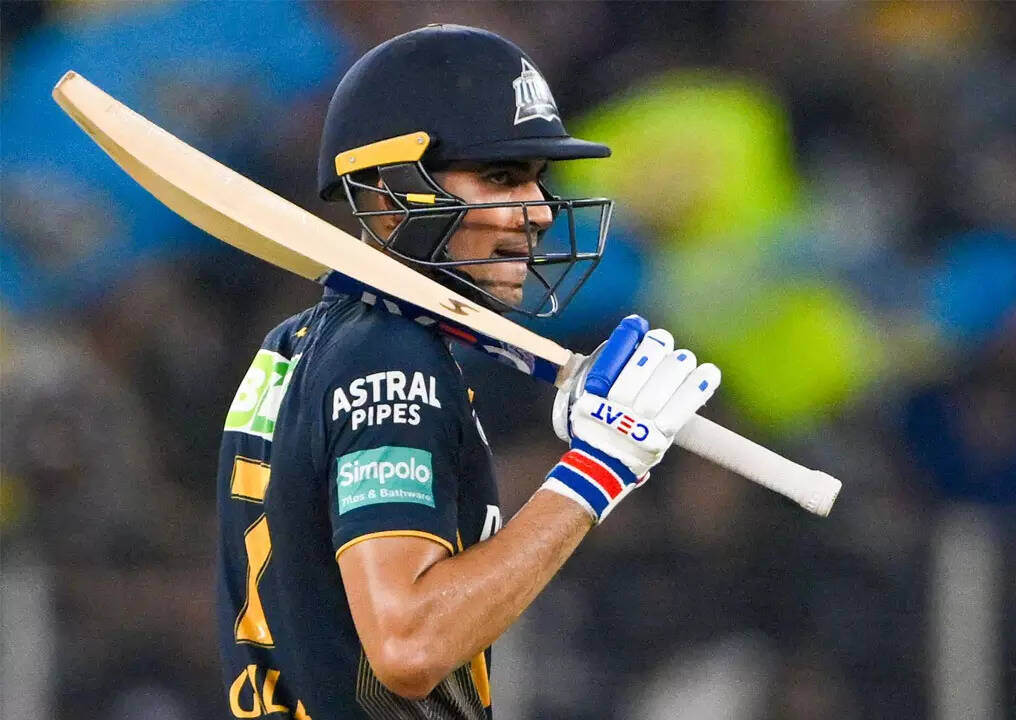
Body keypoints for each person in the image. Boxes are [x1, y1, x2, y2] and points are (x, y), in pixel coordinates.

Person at [214, 24, 720, 720]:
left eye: (537, 179)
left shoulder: (299, 343)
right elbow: (409, 644)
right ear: (389, 191)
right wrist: (598, 469)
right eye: (500, 177)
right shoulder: (391, 358)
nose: (539, 212)